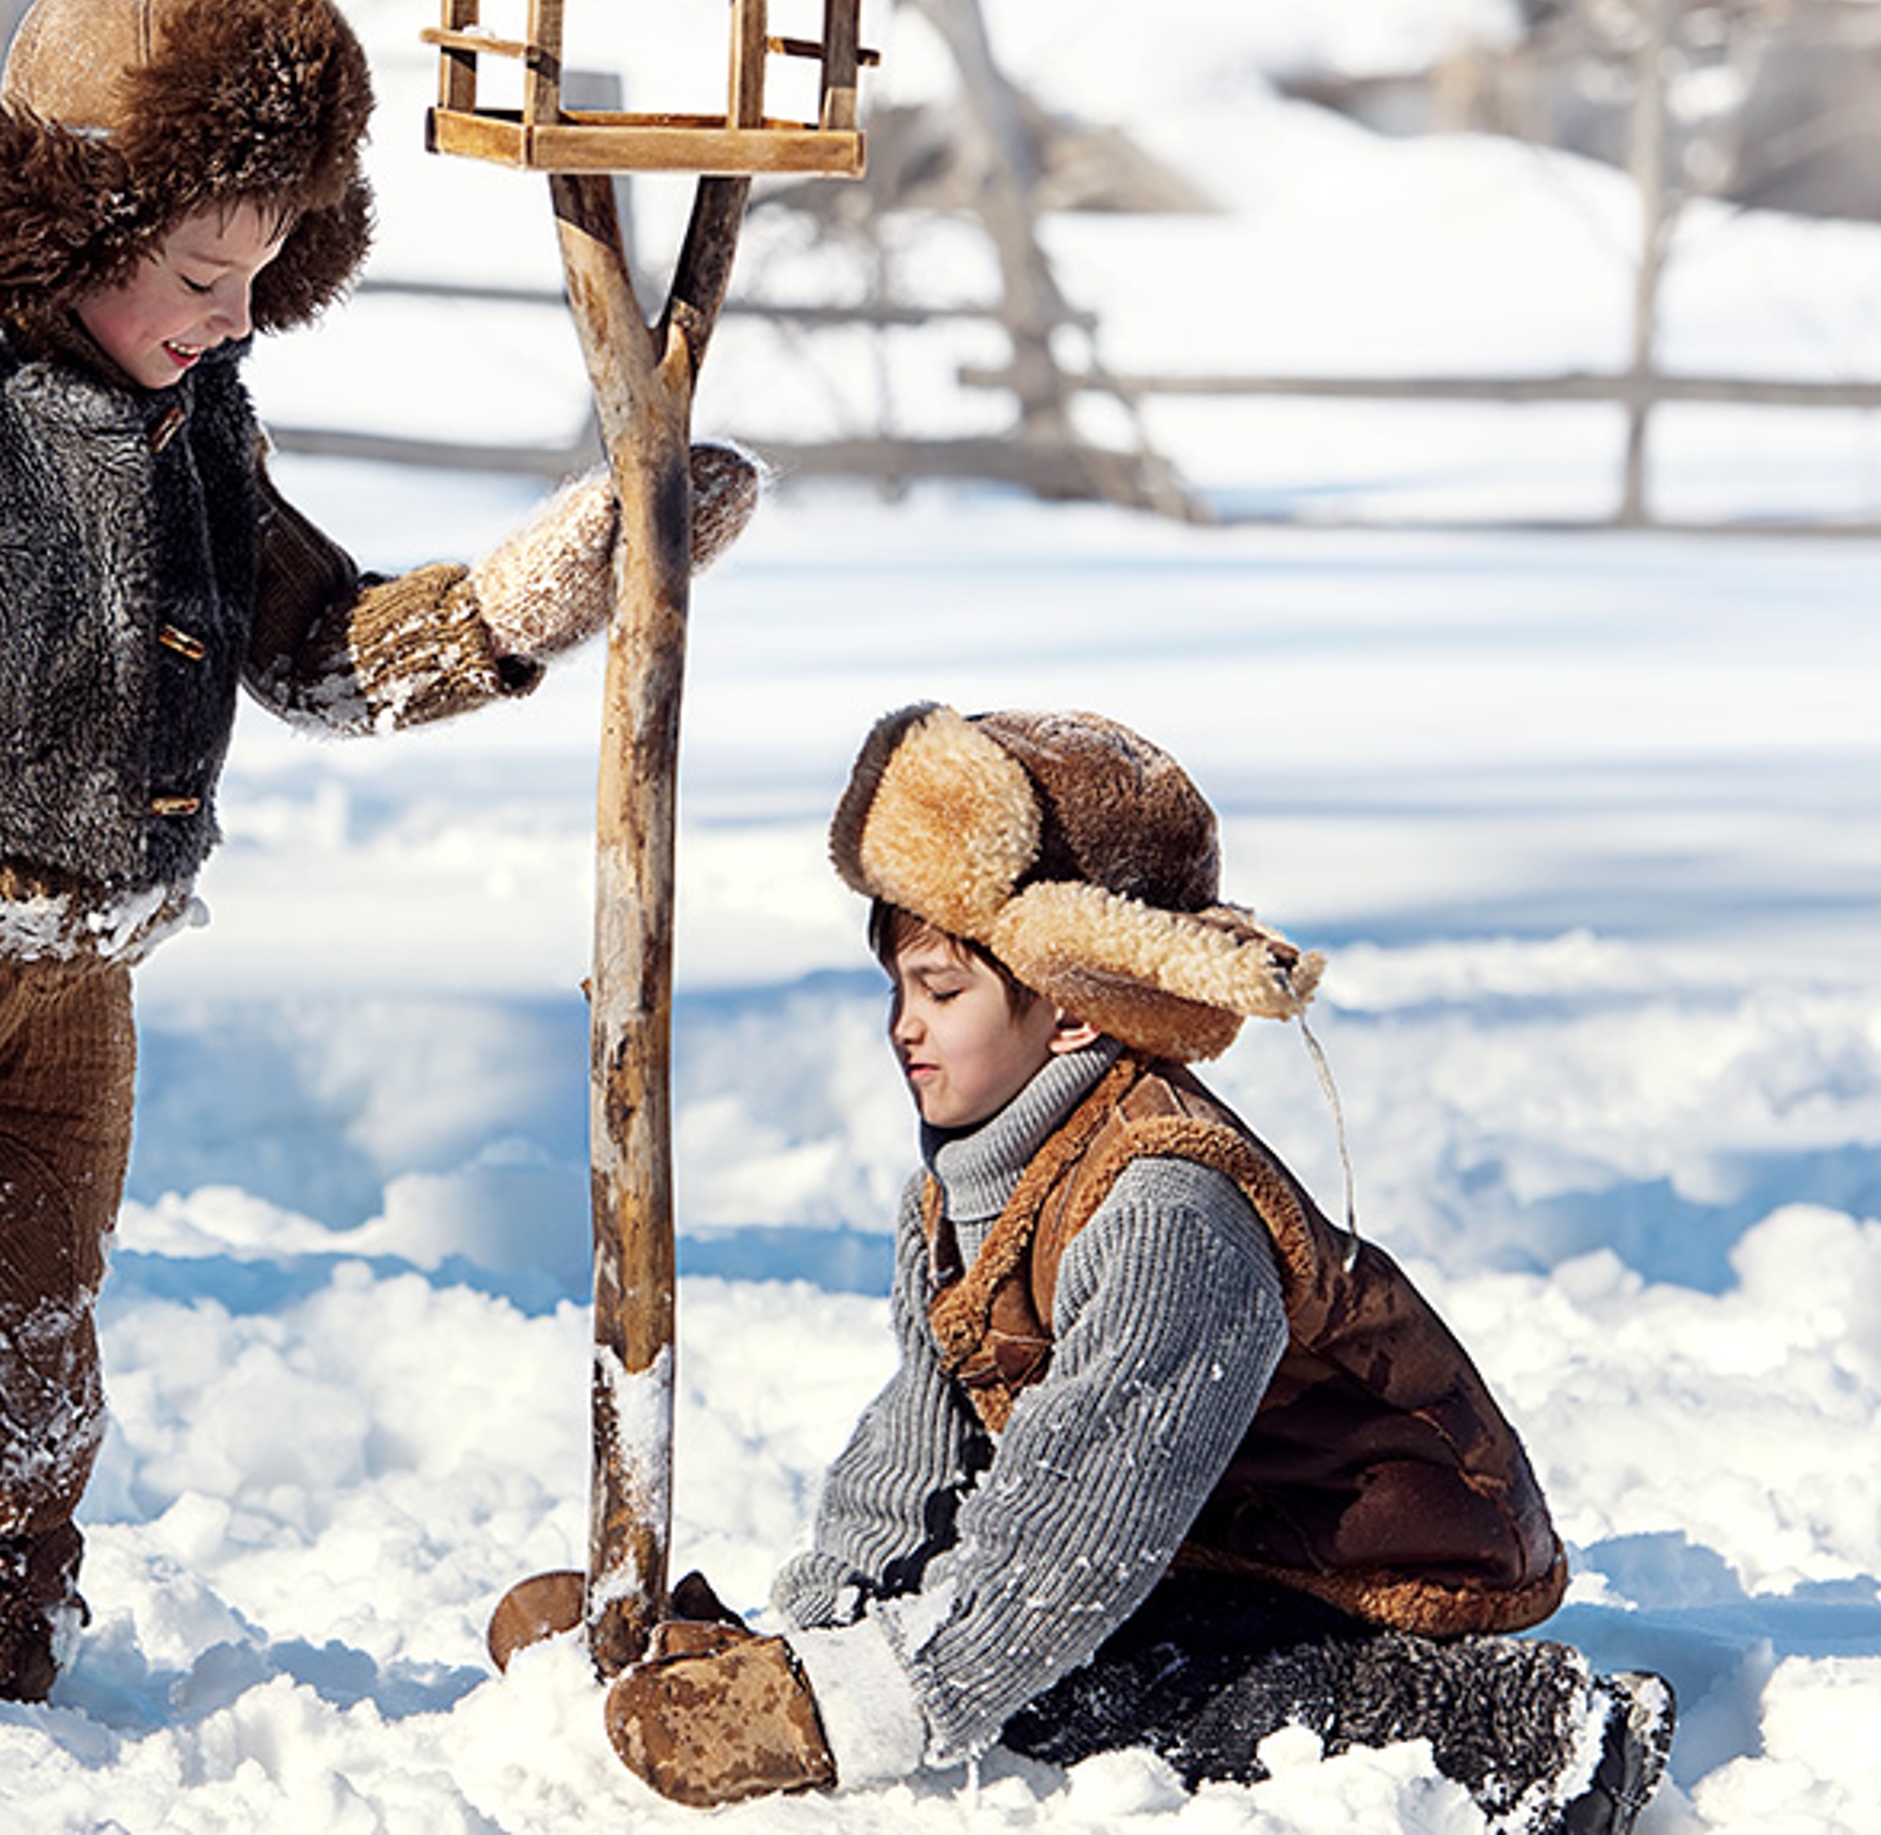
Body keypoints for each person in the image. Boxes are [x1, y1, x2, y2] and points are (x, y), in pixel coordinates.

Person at [0, 0, 762, 1756]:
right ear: (75, 224)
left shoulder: (191, 423)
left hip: (79, 990)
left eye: (261, 276)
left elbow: (314, 644)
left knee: (28, 1368)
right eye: (206, 275)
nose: (235, 318)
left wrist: (548, 593)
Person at [595, 703, 1673, 1834]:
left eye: (942, 992)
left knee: (1073, 1675)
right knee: (1010, 1632)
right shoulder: (970, 1188)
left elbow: (1081, 1521)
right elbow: (920, 1442)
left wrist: (862, 1710)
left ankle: (1518, 1730)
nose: (902, 1028)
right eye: (899, 990)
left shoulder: (1168, 1209)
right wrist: (819, 1639)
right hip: (1201, 1531)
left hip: (1355, 1567)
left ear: (1071, 1006)